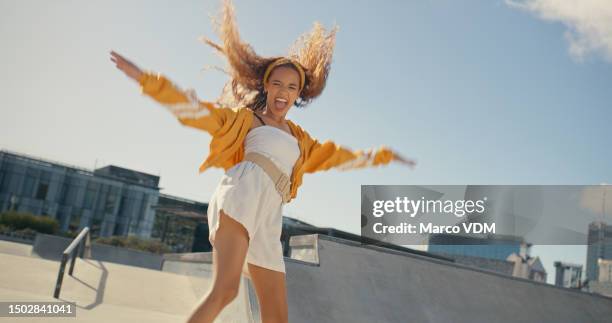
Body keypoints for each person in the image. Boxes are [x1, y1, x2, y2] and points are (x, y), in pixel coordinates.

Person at [110, 1, 415, 322]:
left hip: (268, 217)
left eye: (292, 86)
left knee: (276, 315)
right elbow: (195, 111)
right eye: (278, 84)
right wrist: (145, 79)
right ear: (267, 86)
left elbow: (340, 156)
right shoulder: (246, 121)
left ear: (298, 94)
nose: (284, 92)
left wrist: (381, 155)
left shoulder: (301, 140)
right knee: (225, 290)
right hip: (240, 198)